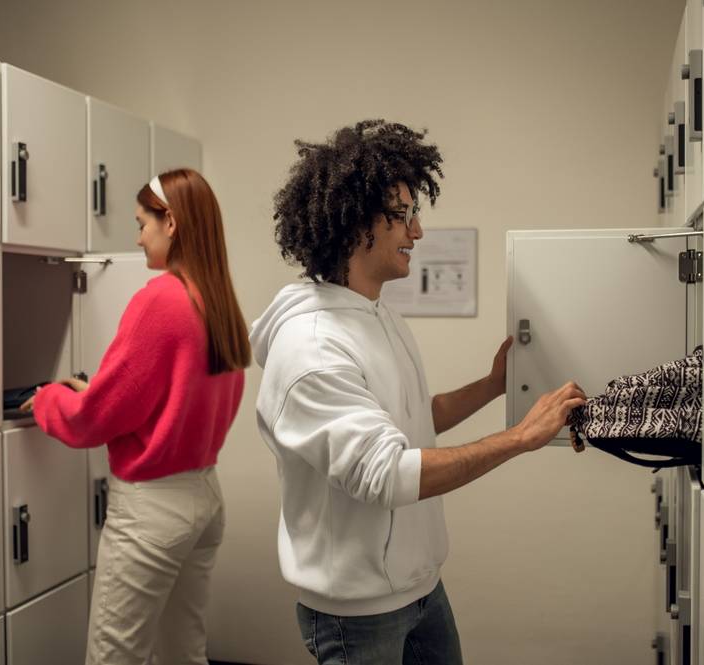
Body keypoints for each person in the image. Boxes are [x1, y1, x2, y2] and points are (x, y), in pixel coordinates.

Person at [250, 120, 586, 665]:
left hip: (421, 589)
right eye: (403, 215)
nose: (418, 231)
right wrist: (520, 438)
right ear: (357, 224)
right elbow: (386, 473)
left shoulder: (377, 314)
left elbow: (412, 419)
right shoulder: (311, 347)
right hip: (357, 613)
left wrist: (492, 386)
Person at [21, 168, 250, 665]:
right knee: (183, 653)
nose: (138, 237)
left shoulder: (160, 299)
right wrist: (99, 392)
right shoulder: (216, 300)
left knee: (114, 656)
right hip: (204, 497)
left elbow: (92, 421)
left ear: (171, 222)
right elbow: (179, 397)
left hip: (153, 509)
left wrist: (48, 400)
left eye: (142, 223)